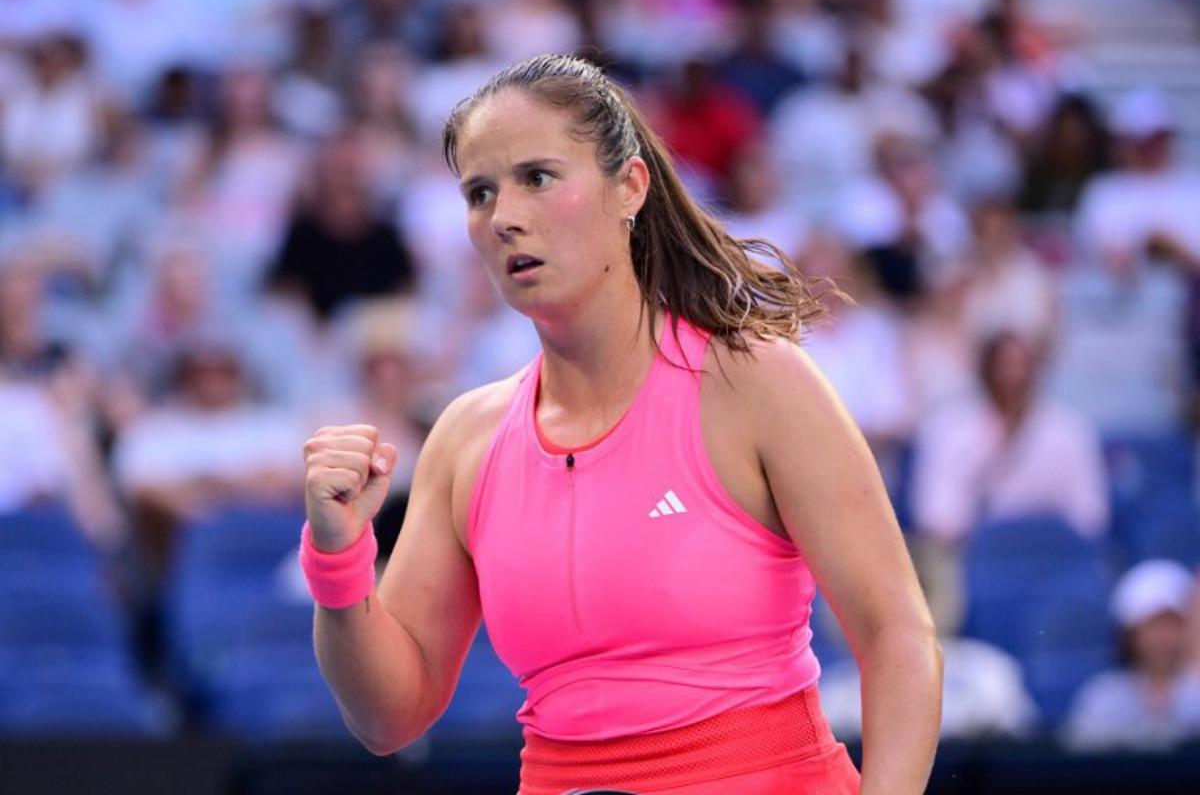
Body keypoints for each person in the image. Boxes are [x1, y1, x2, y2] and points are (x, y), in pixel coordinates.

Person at [301, 54, 941, 794]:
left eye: (537, 178)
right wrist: (338, 559)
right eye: (480, 192)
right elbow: (389, 718)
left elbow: (899, 637)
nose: (504, 216)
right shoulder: (465, 438)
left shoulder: (753, 379)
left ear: (629, 186)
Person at [1062, 559, 1200, 751]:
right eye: (1152, 627)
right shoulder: (1102, 698)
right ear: (1129, 635)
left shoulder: (1196, 693)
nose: (1163, 638)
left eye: (1173, 626)